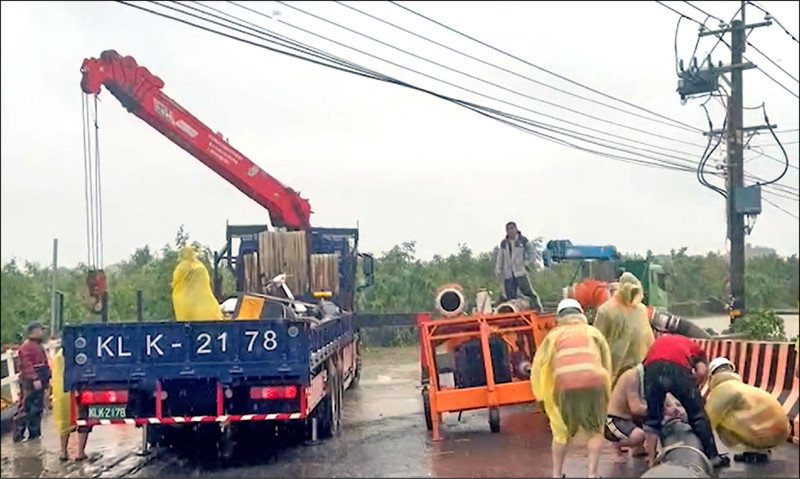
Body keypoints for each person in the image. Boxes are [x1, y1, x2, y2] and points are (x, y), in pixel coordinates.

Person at [532, 299, 612, 478]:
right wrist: (608, 392)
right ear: (580, 313)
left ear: (560, 317)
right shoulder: (593, 332)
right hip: (595, 383)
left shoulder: (553, 336)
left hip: (565, 386)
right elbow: (606, 362)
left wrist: (541, 397)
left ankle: (557, 474)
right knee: (595, 429)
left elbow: (540, 367)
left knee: (560, 432)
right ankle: (592, 474)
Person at [642, 334, 729, 469]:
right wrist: (693, 391)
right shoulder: (697, 350)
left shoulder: (660, 342)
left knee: (653, 418)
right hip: (676, 369)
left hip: (651, 369)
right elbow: (701, 371)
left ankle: (652, 461)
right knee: (698, 415)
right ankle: (713, 457)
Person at [704, 357, 790, 463]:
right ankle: (757, 451)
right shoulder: (742, 387)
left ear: (711, 376)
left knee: (720, 418)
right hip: (781, 435)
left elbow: (707, 422)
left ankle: (755, 448)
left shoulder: (722, 390)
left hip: (763, 436)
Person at [605, 364, 687, 462]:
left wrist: (673, 407)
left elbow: (661, 394)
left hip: (632, 419)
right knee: (639, 435)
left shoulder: (649, 375)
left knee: (654, 420)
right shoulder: (632, 377)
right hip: (615, 420)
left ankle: (638, 448)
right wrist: (664, 411)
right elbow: (635, 408)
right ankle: (616, 447)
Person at [594, 272, 655, 388]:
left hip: (639, 369)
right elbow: (597, 344)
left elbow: (648, 338)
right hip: (614, 371)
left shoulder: (641, 310)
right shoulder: (606, 311)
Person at [12, 322, 52, 442]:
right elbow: (26, 365)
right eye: (41, 330)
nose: (43, 332)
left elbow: (44, 363)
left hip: (39, 380)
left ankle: (34, 434)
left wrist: (47, 378)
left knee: (37, 408)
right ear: (34, 331)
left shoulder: (37, 346)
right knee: (26, 408)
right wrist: (35, 378)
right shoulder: (26, 347)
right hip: (30, 382)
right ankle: (18, 434)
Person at [52, 347, 91, 461]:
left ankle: (63, 452)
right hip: (77, 390)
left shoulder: (58, 355)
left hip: (61, 393)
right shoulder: (80, 355)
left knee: (64, 423)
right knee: (83, 419)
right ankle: (80, 453)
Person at [494, 221, 543, 311]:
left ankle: (538, 309)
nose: (510, 231)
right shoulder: (504, 243)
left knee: (529, 292)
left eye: (512, 229)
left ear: (516, 229)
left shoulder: (523, 241)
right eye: (508, 229)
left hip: (520, 272)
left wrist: (527, 263)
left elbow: (531, 253)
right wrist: (498, 269)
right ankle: (511, 312)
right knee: (510, 296)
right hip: (508, 273)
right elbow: (500, 257)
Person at [172, 245, 224, 321]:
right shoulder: (200, 268)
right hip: (205, 309)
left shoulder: (180, 269)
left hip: (185, 308)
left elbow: (175, 284)